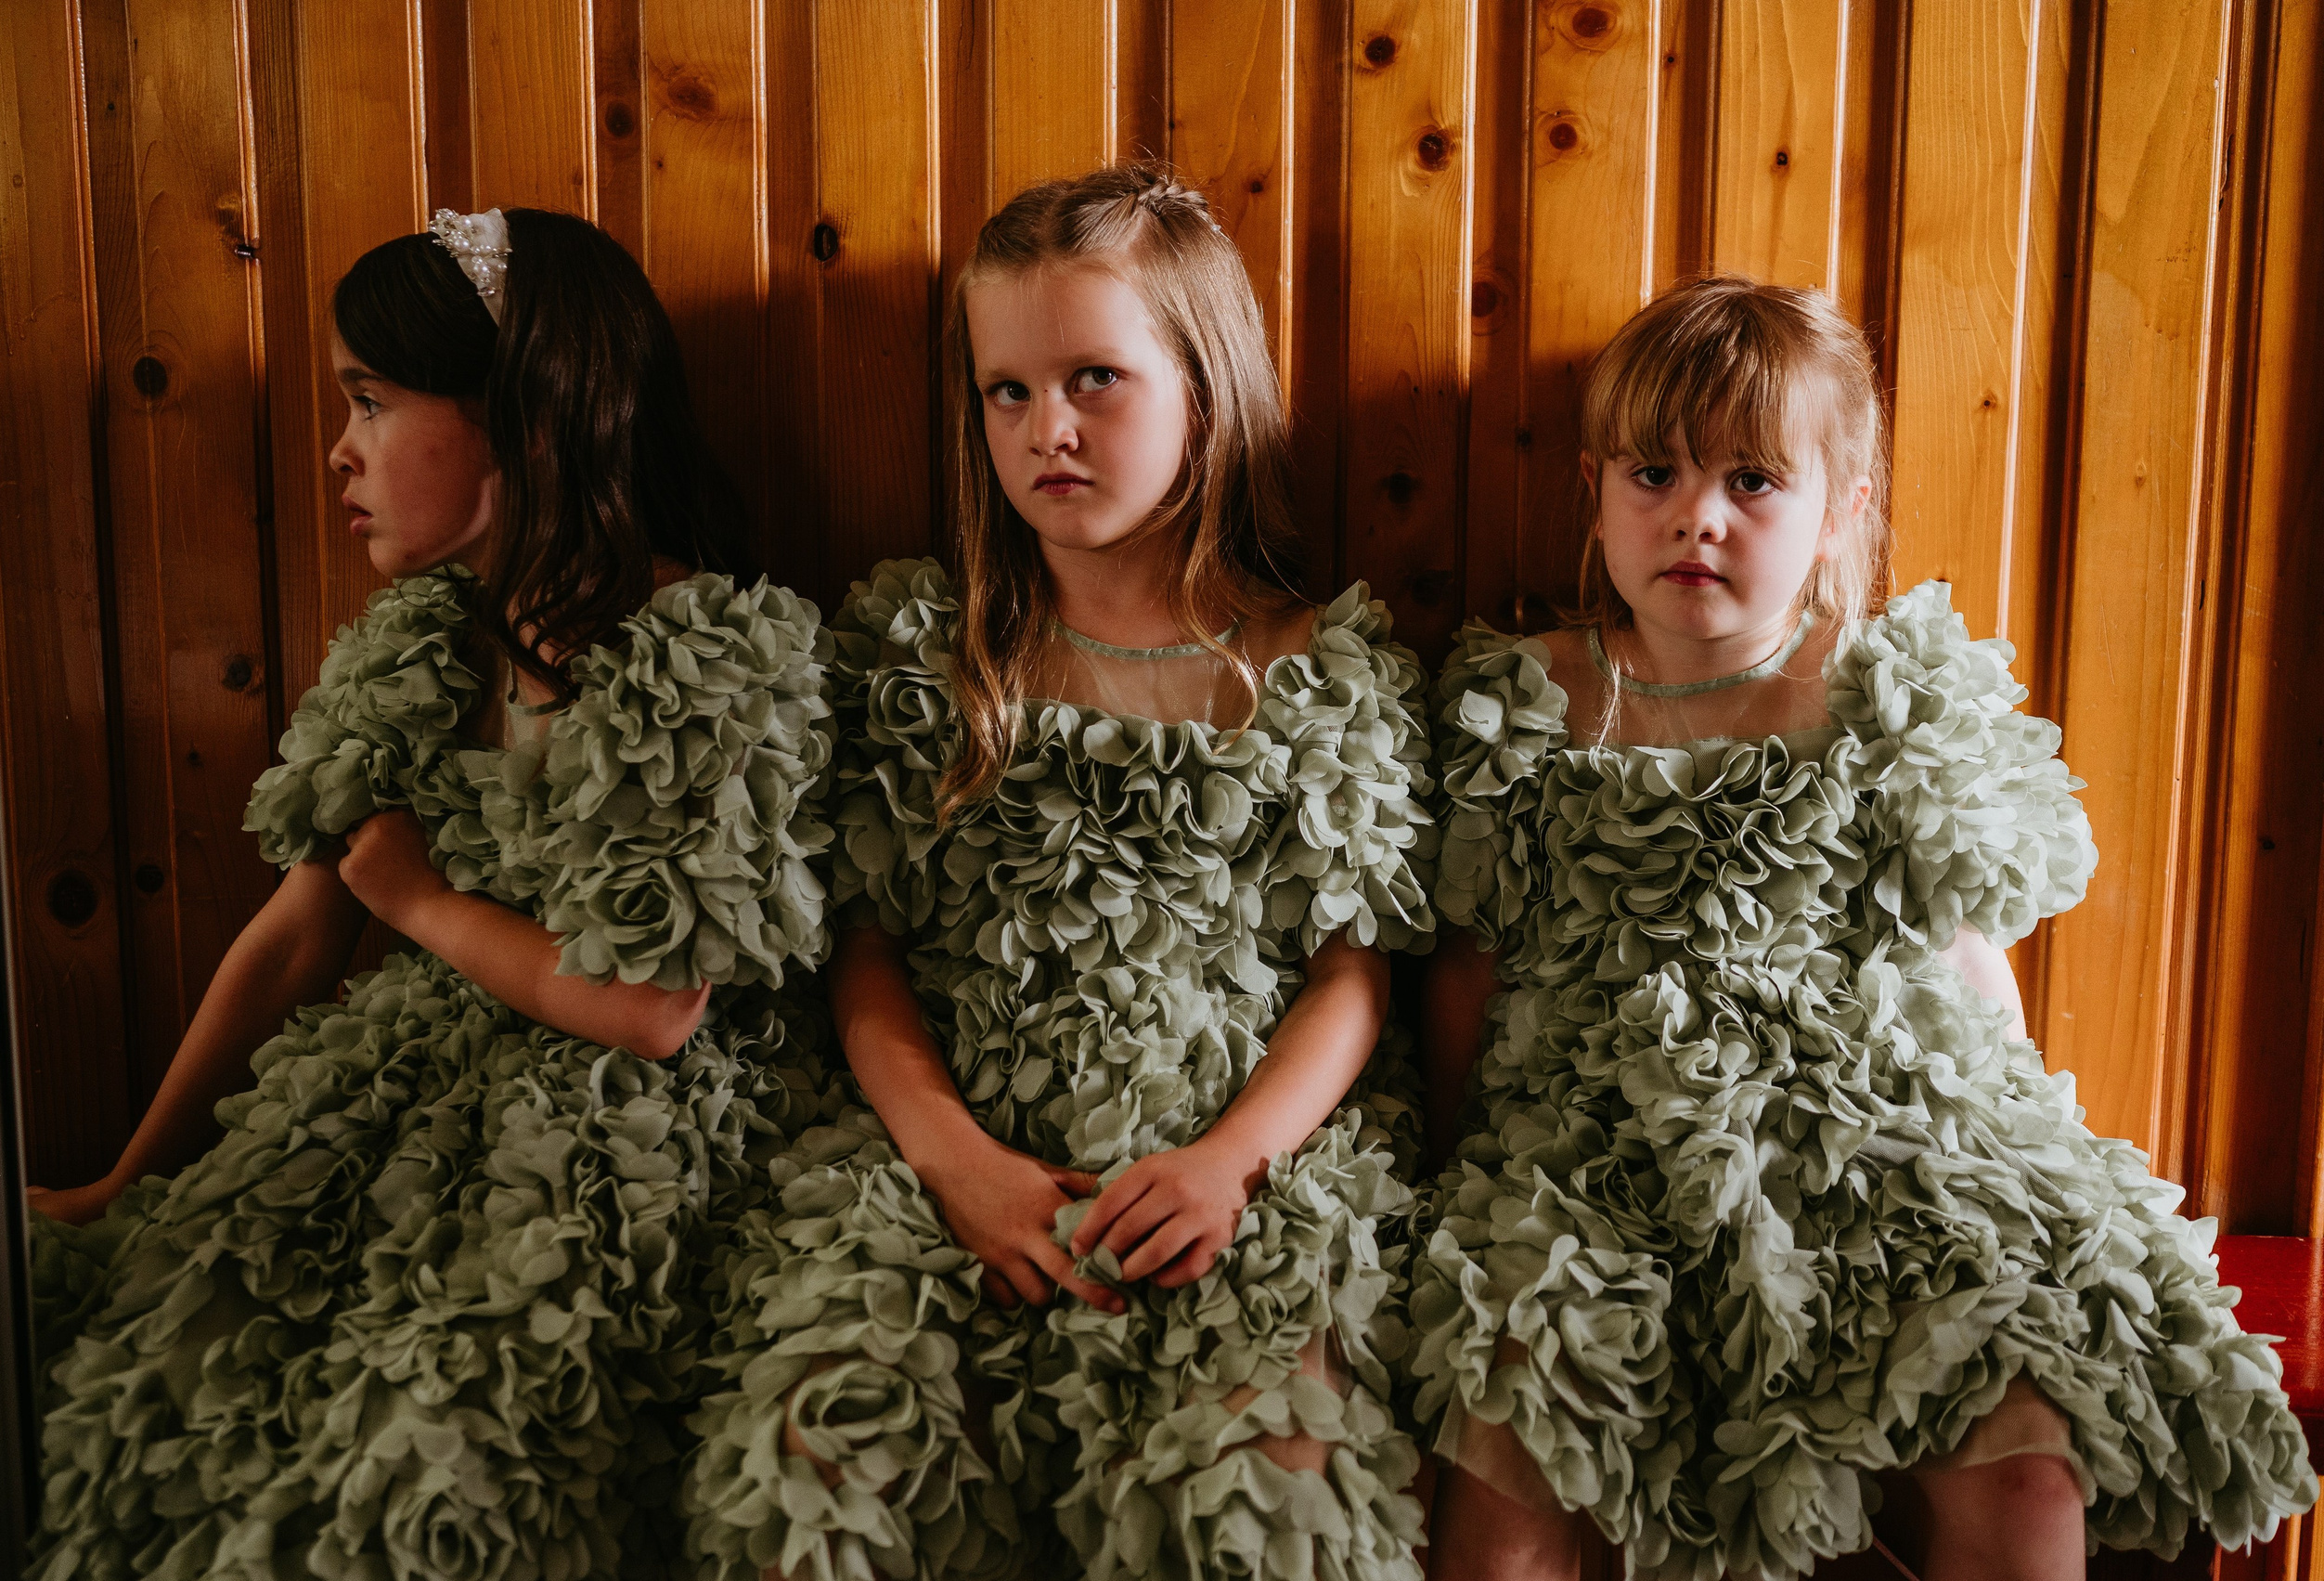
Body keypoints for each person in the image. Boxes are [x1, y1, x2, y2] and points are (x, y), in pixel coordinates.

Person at [1410, 276, 2317, 1581]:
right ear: (1597, 491)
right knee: (1515, 1460)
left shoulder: (1879, 699)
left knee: (2021, 1453)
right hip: (1599, 1158)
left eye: (1753, 482)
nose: (1696, 518)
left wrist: (2028, 1175)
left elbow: (1967, 976)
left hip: (1879, 1153)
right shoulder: (1531, 701)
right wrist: (1458, 1182)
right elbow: (1470, 979)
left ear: (1844, 510)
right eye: (1653, 474)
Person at [25, 207, 836, 1580]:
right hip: (406, 1093)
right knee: (181, 1363)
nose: (340, 450)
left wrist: (415, 902)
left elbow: (653, 1011)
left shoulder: (704, 645)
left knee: (432, 1445)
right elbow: (292, 941)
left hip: (626, 1129)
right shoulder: (418, 645)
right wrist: (127, 1172)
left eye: (375, 402)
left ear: (526, 417)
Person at [681, 164, 1436, 1581]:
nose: (1049, 431)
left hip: (1239, 1168)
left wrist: (1227, 1166)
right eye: (1006, 392)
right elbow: (863, 950)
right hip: (947, 1153)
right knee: (815, 1470)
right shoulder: (929, 649)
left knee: (1264, 1492)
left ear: (1204, 390)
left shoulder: (1314, 667)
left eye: (1097, 378)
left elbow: (1352, 979)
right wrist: (957, 1162)